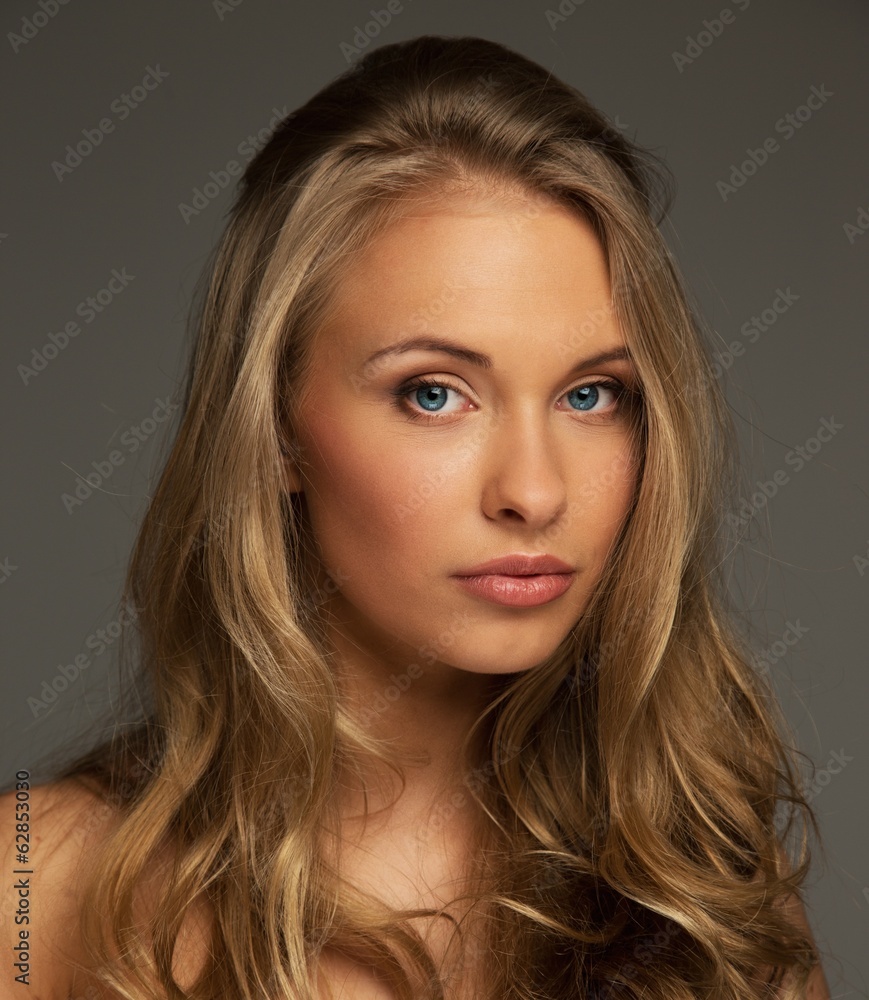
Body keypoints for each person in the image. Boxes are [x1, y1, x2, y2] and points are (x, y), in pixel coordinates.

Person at [0, 34, 830, 1000]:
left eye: (592, 396)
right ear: (272, 428)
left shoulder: (711, 892)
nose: (534, 490)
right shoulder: (35, 880)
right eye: (435, 394)